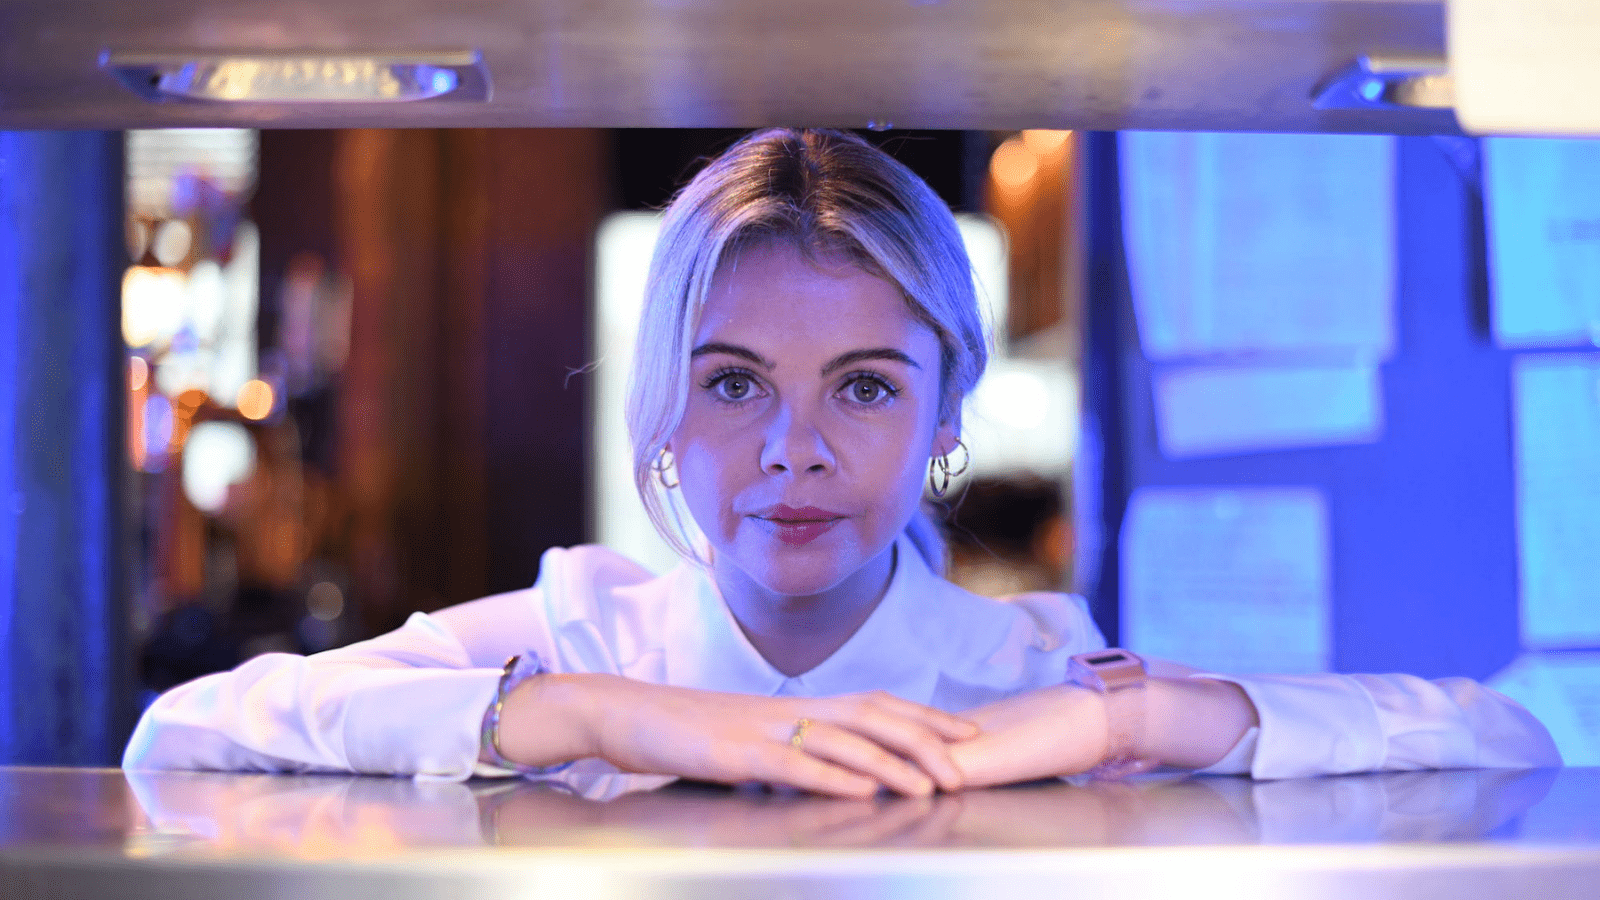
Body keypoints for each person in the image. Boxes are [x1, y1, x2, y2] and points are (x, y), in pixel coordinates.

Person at [123, 129, 1560, 797]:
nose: (793, 450)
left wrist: (1127, 726)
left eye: (865, 388)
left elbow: (1508, 740)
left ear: (946, 418)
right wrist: (621, 721)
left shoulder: (1036, 673)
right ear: (666, 413)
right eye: (734, 382)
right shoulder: (581, 633)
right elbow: (180, 734)